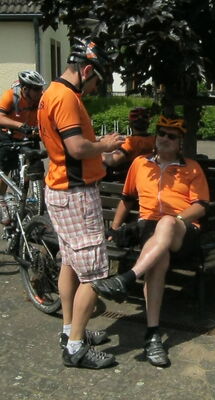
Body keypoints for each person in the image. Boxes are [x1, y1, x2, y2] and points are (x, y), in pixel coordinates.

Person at [91, 115, 210, 367]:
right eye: (162, 133)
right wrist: (114, 228)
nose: (165, 138)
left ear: (180, 143)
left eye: (172, 136)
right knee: (158, 260)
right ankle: (152, 334)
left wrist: (177, 219)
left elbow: (200, 206)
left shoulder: (191, 168)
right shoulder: (140, 164)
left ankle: (127, 278)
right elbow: (127, 199)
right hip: (150, 230)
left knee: (166, 223)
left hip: (183, 231)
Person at [37, 37, 126, 369]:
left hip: (60, 189)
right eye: (96, 81)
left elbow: (67, 146)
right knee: (94, 274)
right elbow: (76, 148)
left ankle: (69, 330)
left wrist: (98, 147)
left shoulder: (51, 93)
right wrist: (105, 146)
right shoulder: (66, 98)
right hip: (76, 194)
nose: (94, 88)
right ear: (86, 71)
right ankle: (75, 347)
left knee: (70, 264)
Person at [0, 70, 46, 224]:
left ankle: (33, 196)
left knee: (36, 163)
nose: (40, 92)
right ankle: (1, 200)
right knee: (4, 168)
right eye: (37, 89)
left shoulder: (40, 98)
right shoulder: (10, 96)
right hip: (9, 135)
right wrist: (19, 125)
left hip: (30, 134)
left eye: (41, 88)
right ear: (25, 89)